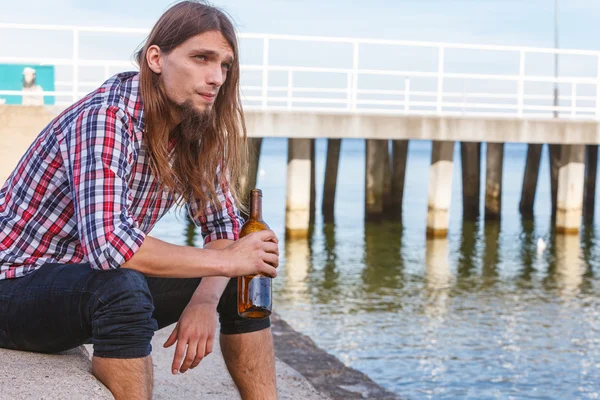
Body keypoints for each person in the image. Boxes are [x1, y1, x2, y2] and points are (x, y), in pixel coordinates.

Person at [0, 2, 280, 399]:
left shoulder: (196, 129)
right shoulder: (106, 119)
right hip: (13, 284)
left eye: (225, 65)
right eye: (202, 58)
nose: (216, 77)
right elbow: (111, 245)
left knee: (244, 284)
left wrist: (204, 299)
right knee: (121, 289)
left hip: (77, 282)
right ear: (156, 59)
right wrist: (229, 259)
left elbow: (224, 230)